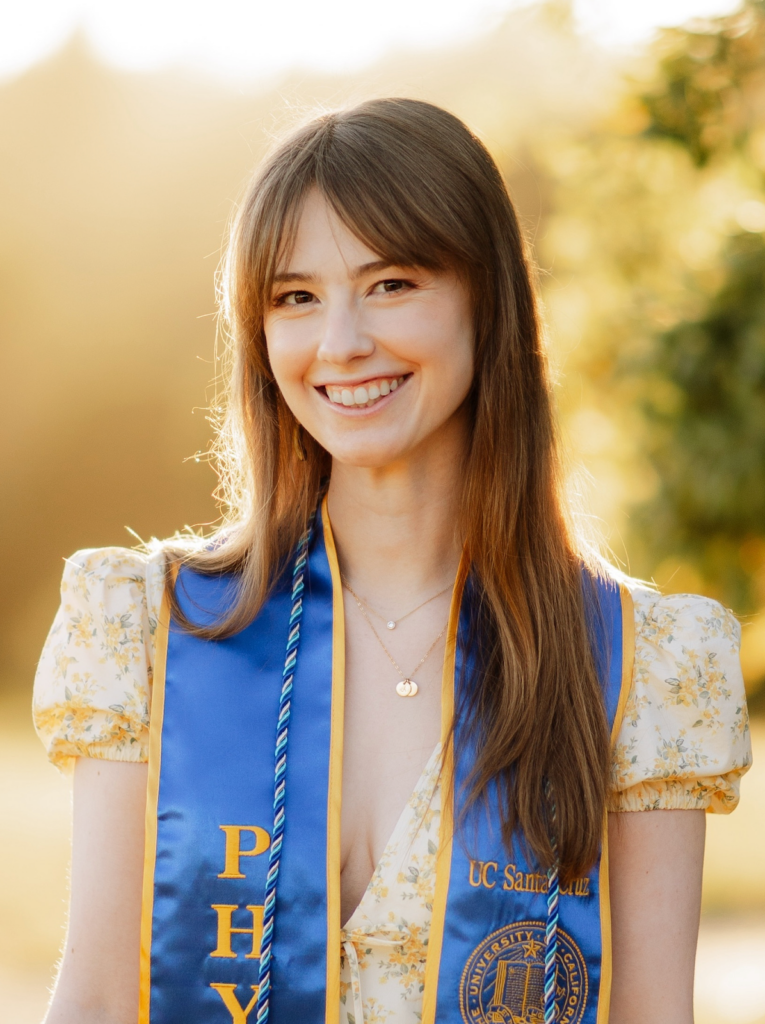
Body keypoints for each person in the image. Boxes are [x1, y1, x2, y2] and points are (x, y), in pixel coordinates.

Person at [34, 98, 750, 1024]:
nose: (340, 344)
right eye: (295, 297)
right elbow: (91, 1000)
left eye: (391, 284)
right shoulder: (151, 628)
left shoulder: (640, 664)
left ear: (486, 298)